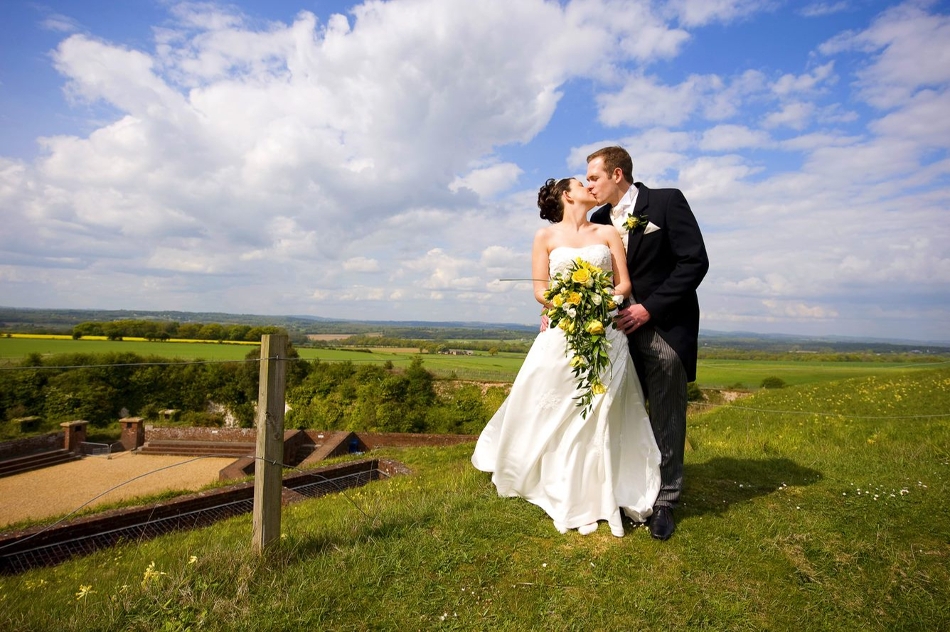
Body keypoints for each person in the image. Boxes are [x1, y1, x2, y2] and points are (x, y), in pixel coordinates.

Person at [472, 177, 660, 537]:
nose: (589, 186)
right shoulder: (544, 237)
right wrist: (567, 304)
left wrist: (601, 301)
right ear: (564, 195)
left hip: (605, 330)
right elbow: (541, 290)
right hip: (563, 330)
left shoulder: (607, 233)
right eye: (579, 182)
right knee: (559, 403)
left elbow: (623, 285)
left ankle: (603, 485)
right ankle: (551, 476)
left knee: (602, 406)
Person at [586, 146, 709, 540]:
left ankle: (666, 501)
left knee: (666, 413)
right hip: (614, 331)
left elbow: (694, 261)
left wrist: (649, 309)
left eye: (594, 177)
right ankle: (627, 490)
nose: (589, 184)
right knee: (622, 411)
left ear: (617, 174)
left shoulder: (667, 202)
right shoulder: (599, 219)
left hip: (663, 325)